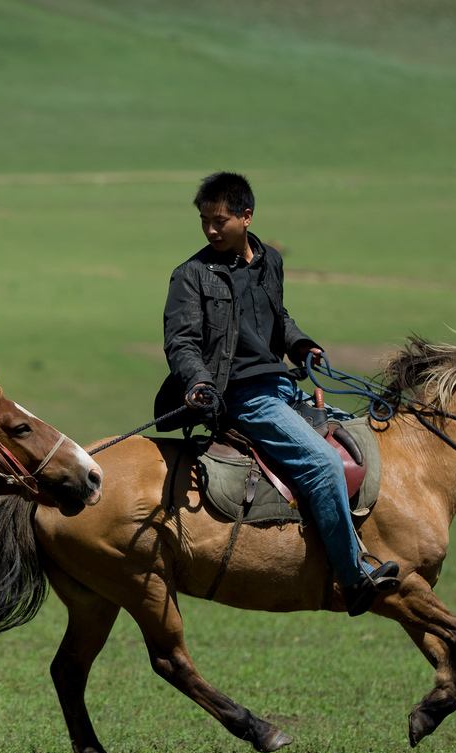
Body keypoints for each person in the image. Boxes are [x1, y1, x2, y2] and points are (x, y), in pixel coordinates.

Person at [156, 171, 399, 616]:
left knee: (367, 433)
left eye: (220, 220)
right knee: (324, 464)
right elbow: (181, 342)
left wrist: (300, 343)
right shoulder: (190, 276)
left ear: (247, 217)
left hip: (282, 384)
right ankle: (353, 576)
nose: (211, 229)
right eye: (205, 221)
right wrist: (198, 382)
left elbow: (276, 316)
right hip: (241, 394)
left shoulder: (270, 261)